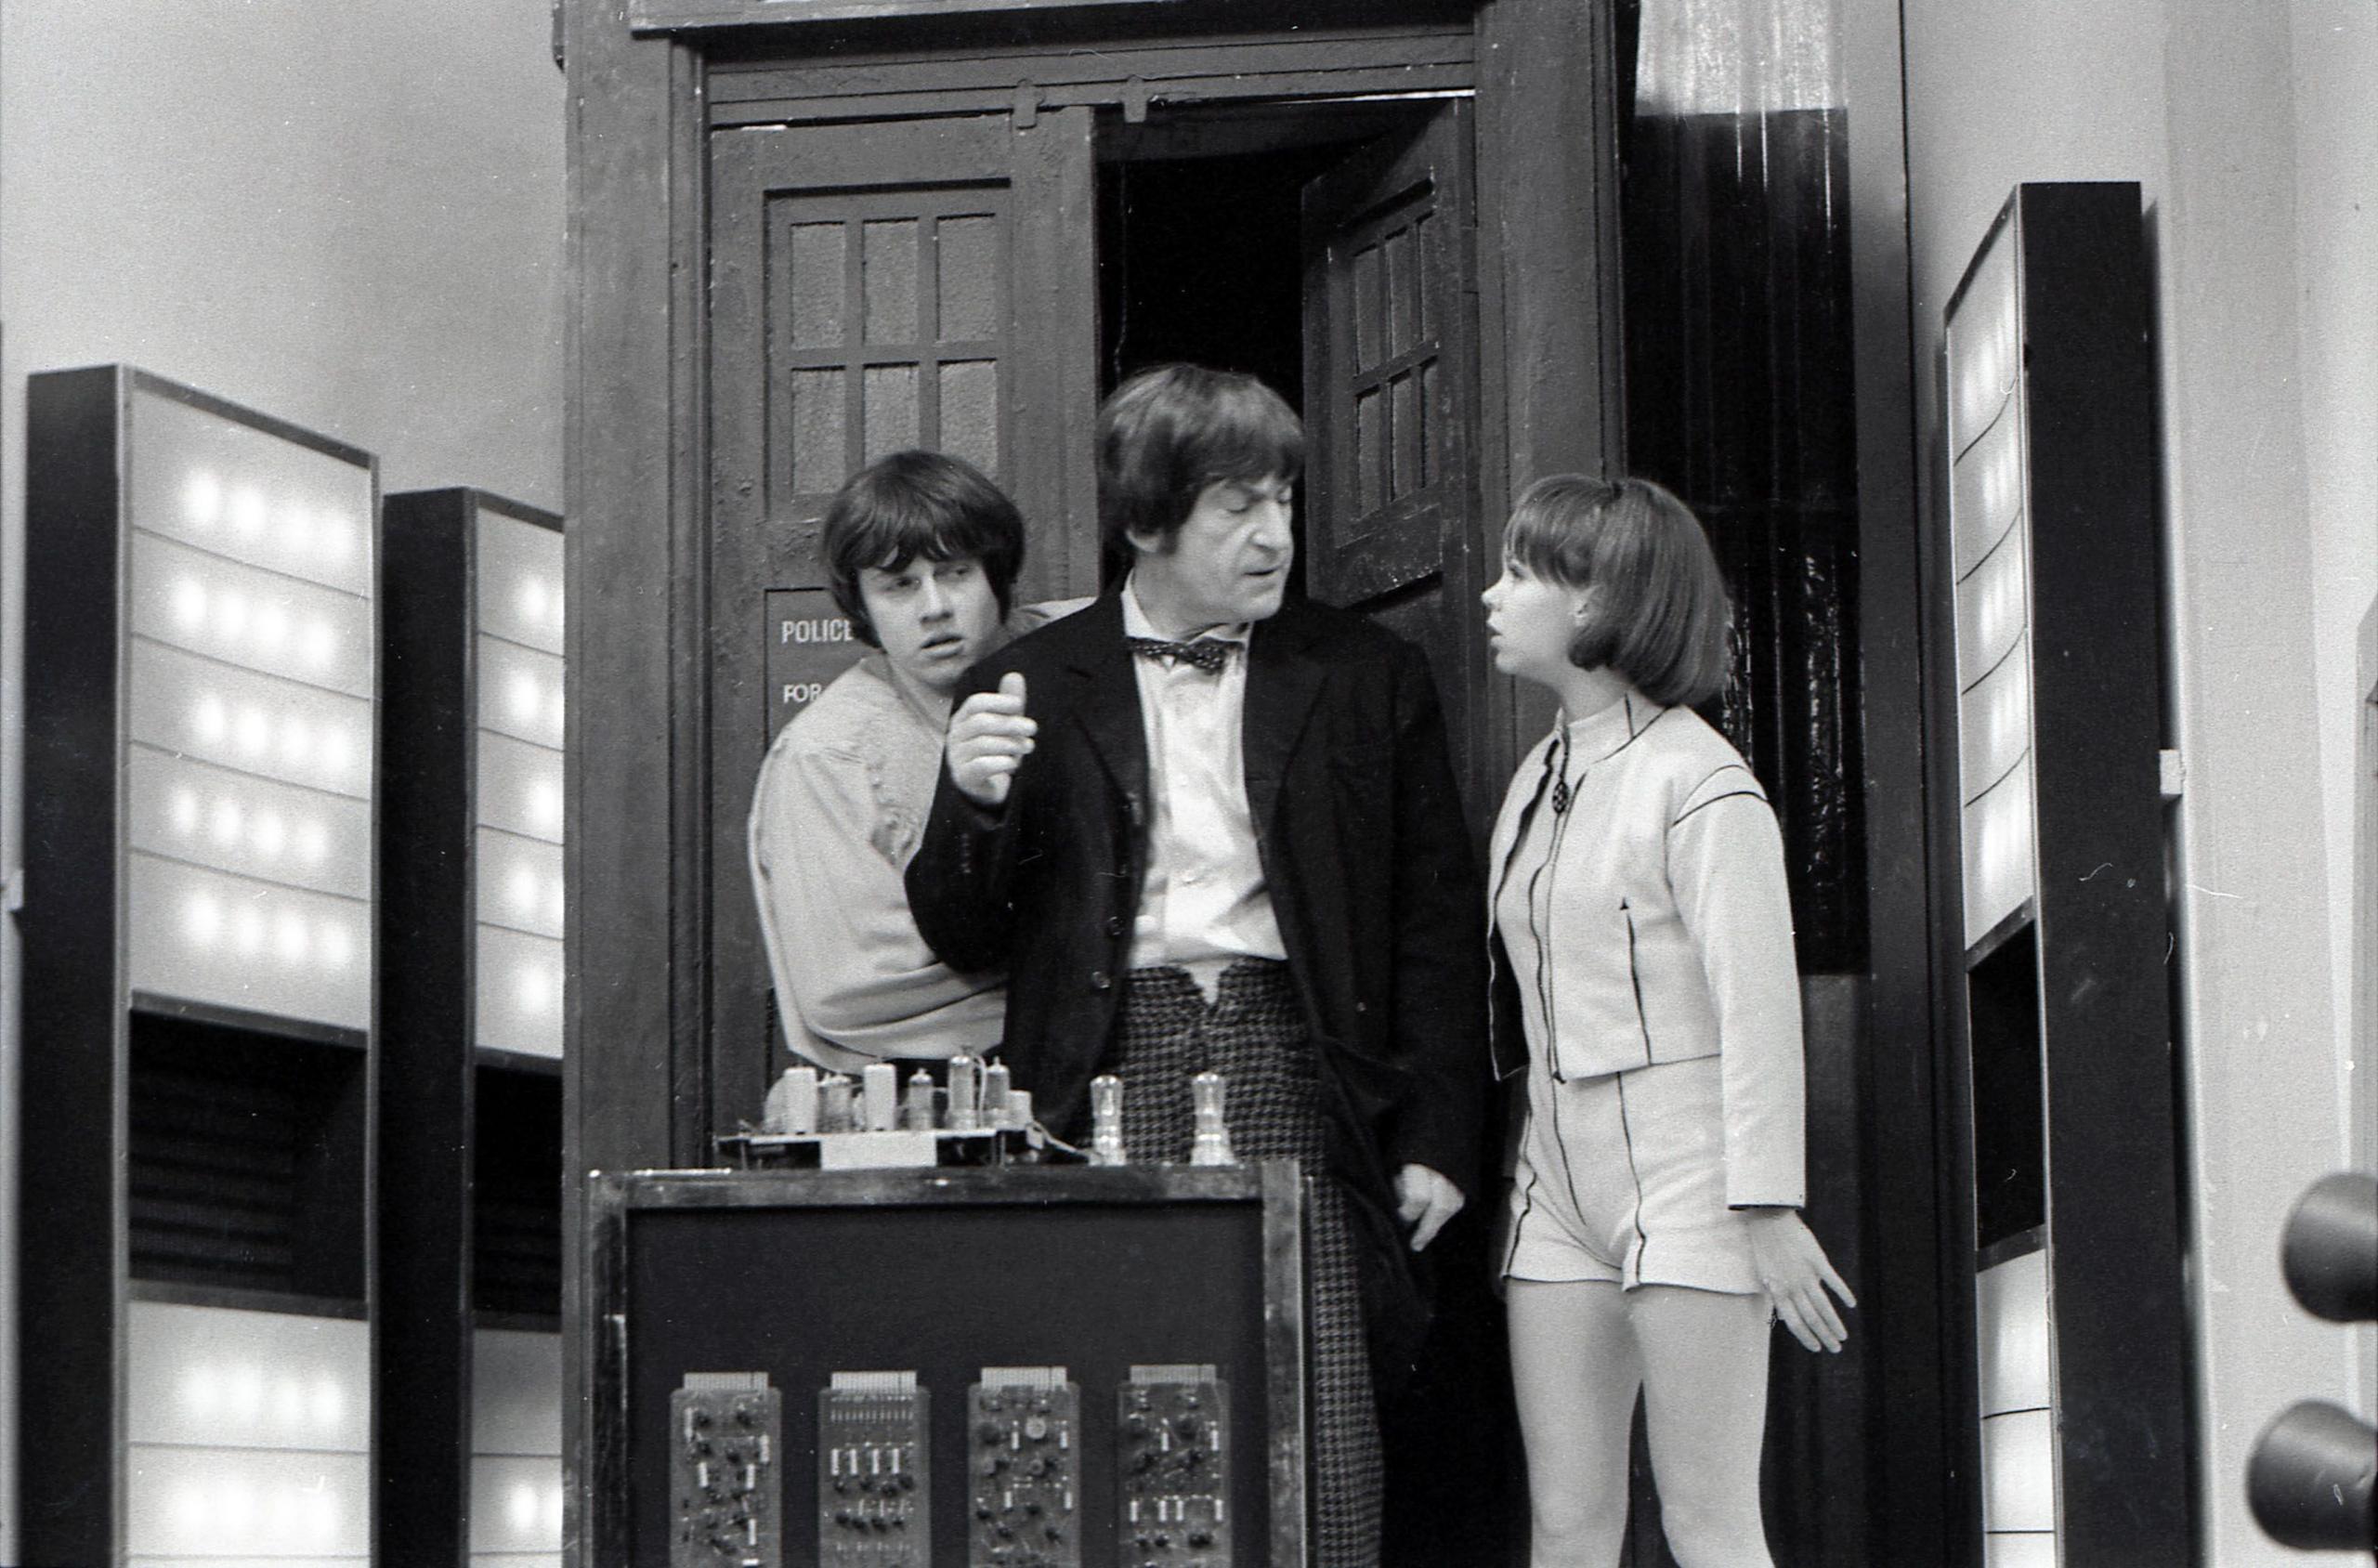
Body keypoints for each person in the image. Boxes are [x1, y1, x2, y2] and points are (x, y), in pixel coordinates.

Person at [905, 363, 1483, 1568]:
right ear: (1148, 520)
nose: (1275, 534)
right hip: (1099, 1073)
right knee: (1105, 1426)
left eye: (1283, 500)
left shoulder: (1365, 675)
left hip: (1300, 1065)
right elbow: (962, 934)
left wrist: (1438, 1135)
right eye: (1237, 508)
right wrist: (970, 800)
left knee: (1317, 1420)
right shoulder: (1029, 683)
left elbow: (1434, 922)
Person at [1480, 474, 1855, 1567]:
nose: (1496, 596)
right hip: (1555, 1177)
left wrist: (1767, 1199)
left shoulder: (1702, 782)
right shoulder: (1535, 775)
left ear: (1599, 600)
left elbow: (1760, 1007)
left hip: (1692, 1175)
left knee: (1707, 1518)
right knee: (1564, 1517)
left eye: (1521, 572)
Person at [747, 448, 1046, 1073]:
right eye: (899, 585)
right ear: (861, 606)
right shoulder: (824, 755)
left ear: (997, 576)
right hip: (928, 1091)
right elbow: (855, 992)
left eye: (956, 572)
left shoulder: (1070, 661)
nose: (933, 607)